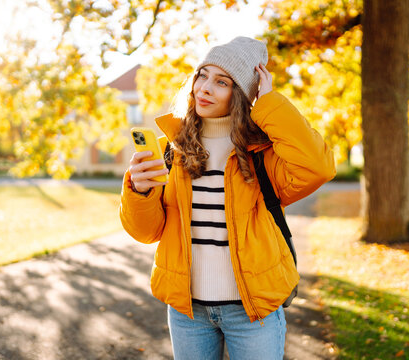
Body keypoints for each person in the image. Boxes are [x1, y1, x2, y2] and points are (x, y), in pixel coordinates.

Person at [120, 36, 335, 360]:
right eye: (202, 75)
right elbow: (145, 232)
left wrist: (270, 102)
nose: (205, 87)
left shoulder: (262, 153)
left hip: (252, 311)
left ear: (243, 94)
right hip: (188, 313)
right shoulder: (171, 150)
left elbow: (317, 167)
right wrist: (139, 190)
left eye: (222, 82)